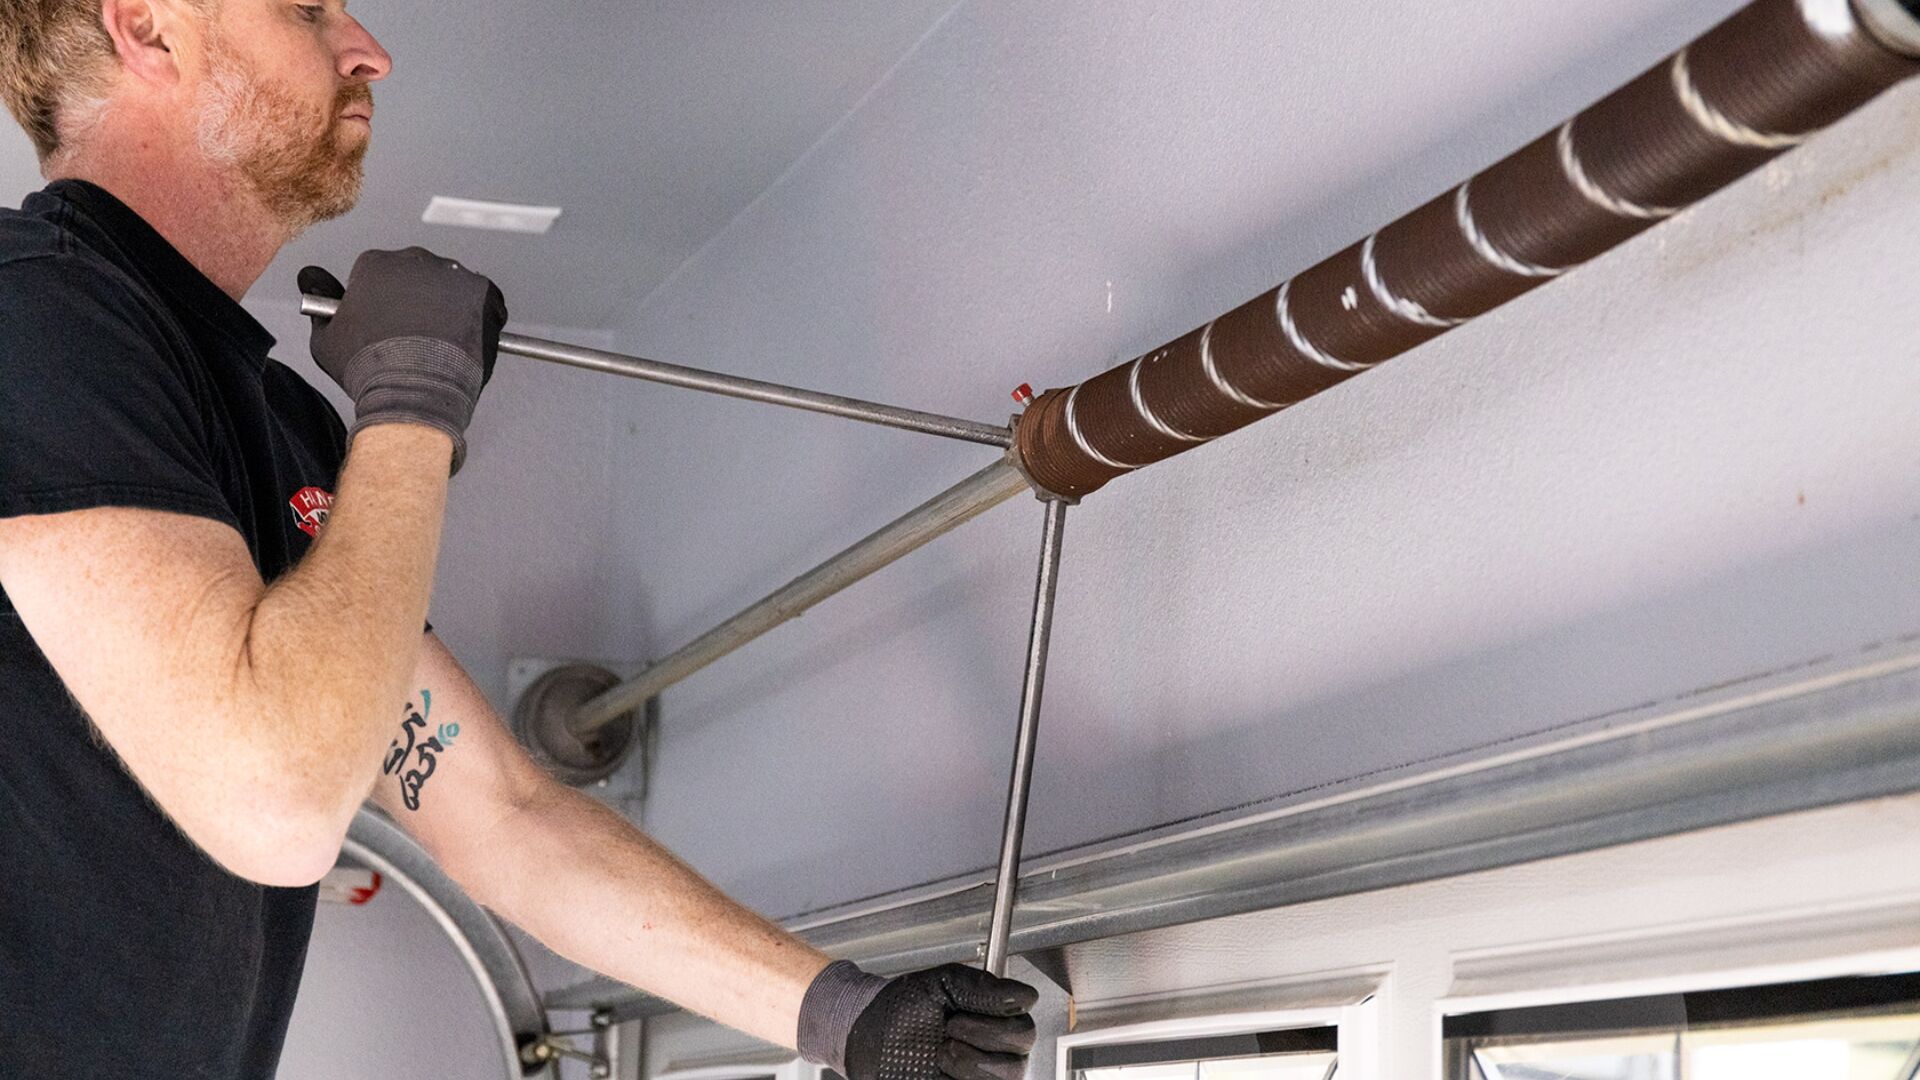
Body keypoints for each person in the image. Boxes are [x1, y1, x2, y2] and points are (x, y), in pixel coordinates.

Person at [0, 1, 1038, 1076]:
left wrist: (846, 1018)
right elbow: (276, 802)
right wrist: (412, 402)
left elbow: (501, 814)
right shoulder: (30, 305)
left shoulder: (281, 421)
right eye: (307, 8)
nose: (370, 52)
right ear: (148, 28)